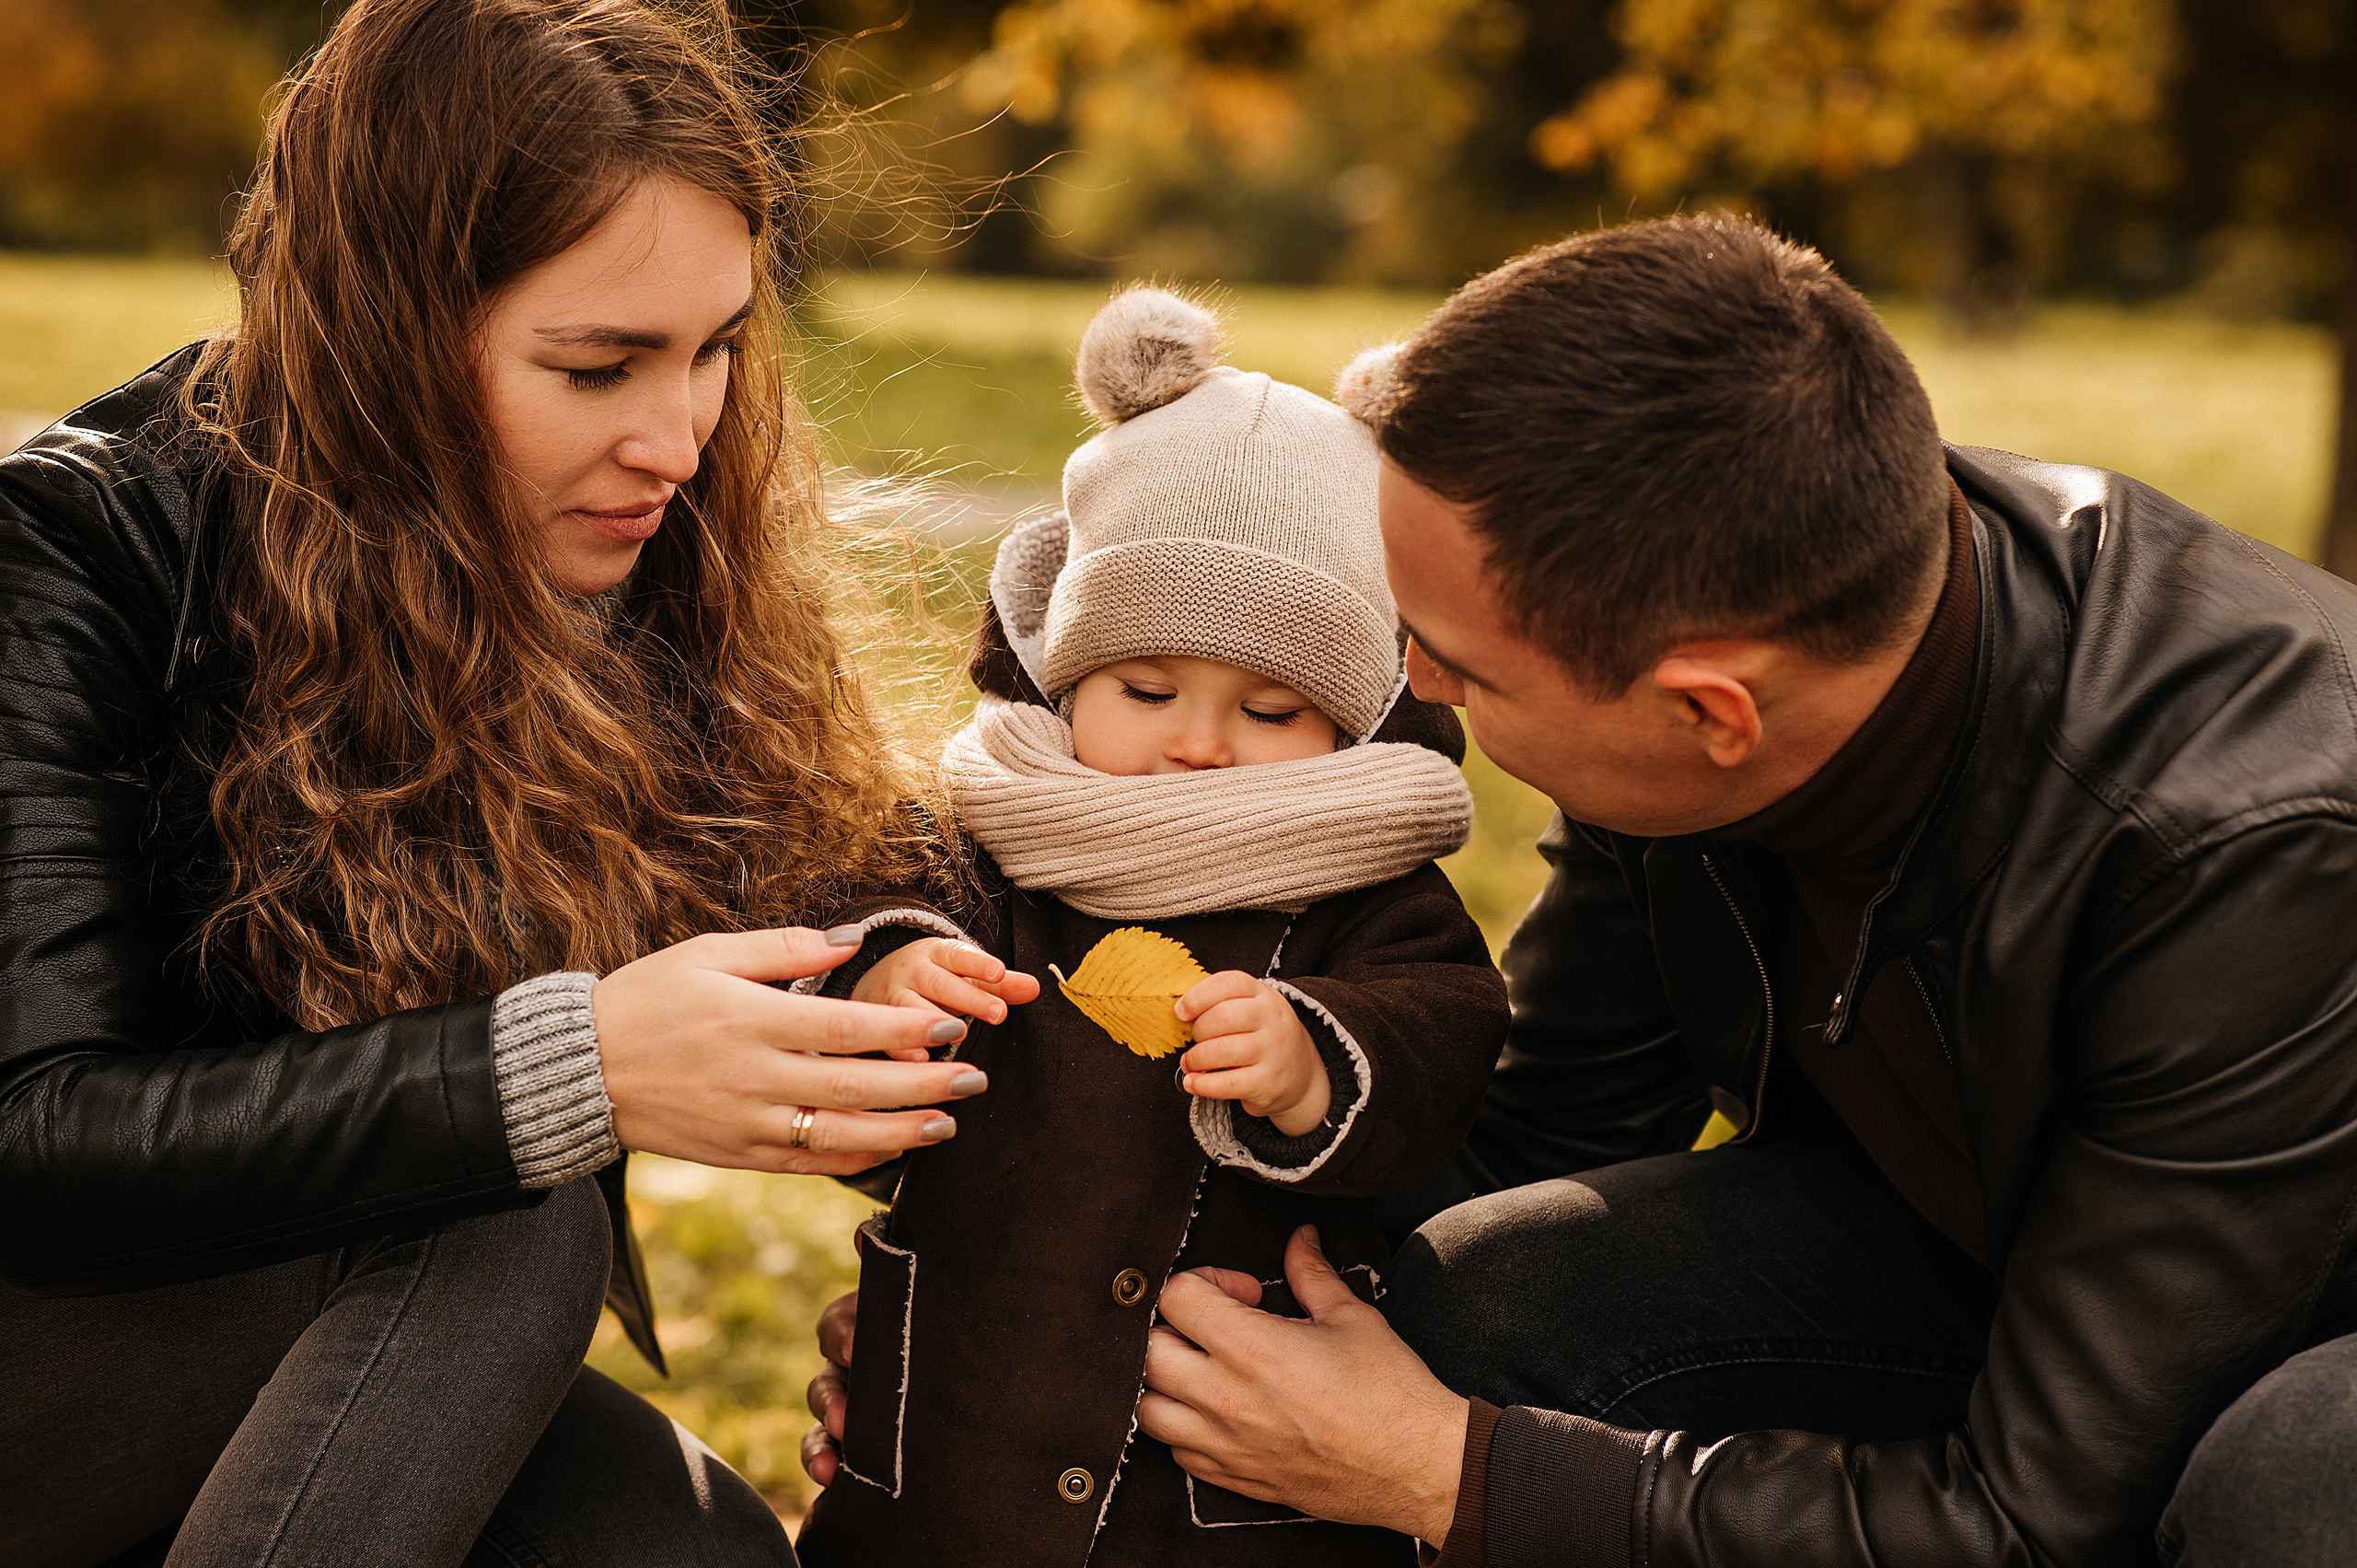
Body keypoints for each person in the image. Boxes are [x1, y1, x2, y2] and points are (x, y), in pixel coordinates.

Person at [809, 214, 2357, 1565]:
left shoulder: (2245, 849)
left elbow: (2031, 1519)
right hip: (2001, 1253)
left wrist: (1442, 1473)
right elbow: (1532, 1139)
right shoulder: (1743, 576)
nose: (1403, 684)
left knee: (2289, 1483)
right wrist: (1028, 1333)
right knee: (1510, 1293)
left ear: (1710, 712)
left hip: (2290, 1359)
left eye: (1457, 667)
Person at [0, 3, 995, 1564]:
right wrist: (561, 1070)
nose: (676, 437)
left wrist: (869, 979)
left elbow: (795, 859)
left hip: (352, 1359)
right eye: (600, 366)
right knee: (508, 1199)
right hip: (59, 1359)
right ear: (382, 334)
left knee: (695, 1553)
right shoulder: (65, 552)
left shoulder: (639, 542)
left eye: (717, 351)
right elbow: (35, 1144)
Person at [791, 289, 1509, 1567]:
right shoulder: (999, 838)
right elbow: (851, 895)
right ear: (1065, 674)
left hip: (1206, 1492)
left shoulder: (1361, 881)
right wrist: (890, 963)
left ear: (1355, 725)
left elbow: (1449, 1029)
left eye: (1273, 709)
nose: (1197, 740)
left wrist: (1311, 1054)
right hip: (960, 1430)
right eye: (1148, 687)